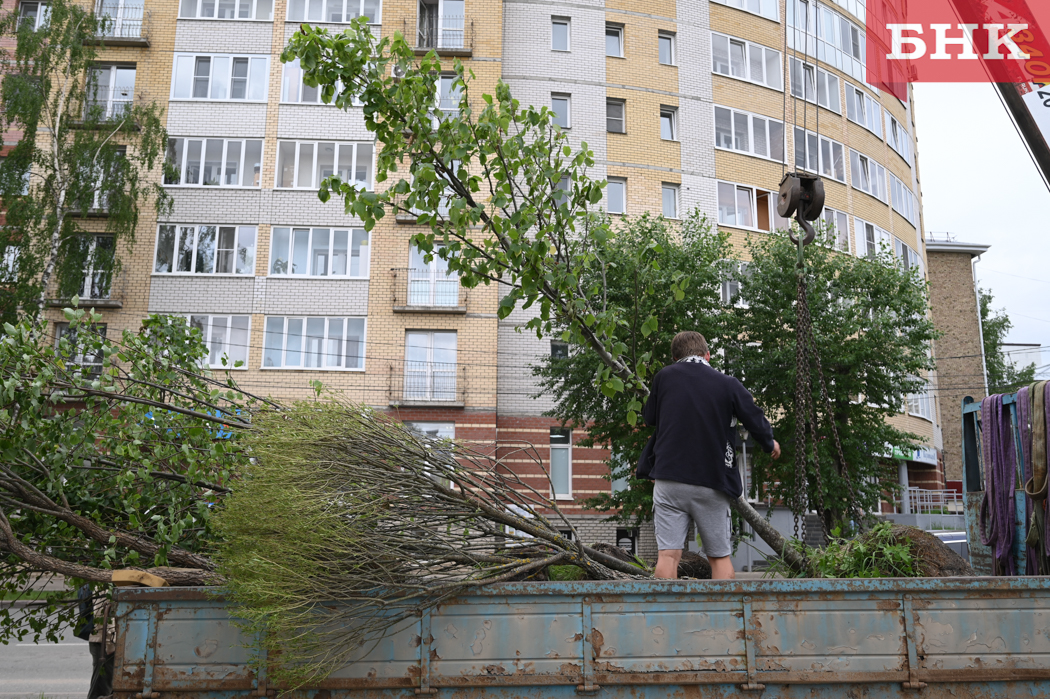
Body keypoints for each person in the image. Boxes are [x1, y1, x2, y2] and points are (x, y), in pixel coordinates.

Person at [642, 331, 780, 580]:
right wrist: (769, 443)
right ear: (707, 355)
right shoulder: (728, 384)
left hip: (669, 479)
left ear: (675, 358)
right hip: (712, 480)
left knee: (668, 556)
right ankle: (725, 606)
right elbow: (753, 417)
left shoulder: (664, 377)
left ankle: (664, 607)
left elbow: (649, 417)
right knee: (719, 557)